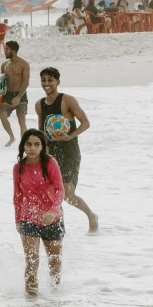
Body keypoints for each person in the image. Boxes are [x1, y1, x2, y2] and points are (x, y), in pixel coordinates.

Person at [36, 67, 98, 232]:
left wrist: (69, 136)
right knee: (51, 195)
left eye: (50, 80)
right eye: (44, 80)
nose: (46, 84)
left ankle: (91, 216)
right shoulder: (39, 105)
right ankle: (60, 229)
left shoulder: (67, 100)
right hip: (50, 155)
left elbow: (85, 123)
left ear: (58, 82)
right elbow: (41, 133)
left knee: (68, 194)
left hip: (70, 152)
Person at [14, 129, 65, 296]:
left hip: (52, 218)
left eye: (37, 144)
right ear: (23, 146)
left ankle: (55, 297)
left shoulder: (50, 163)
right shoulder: (18, 168)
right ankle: (31, 301)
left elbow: (59, 190)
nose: (32, 148)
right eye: (28, 144)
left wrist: (52, 210)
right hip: (28, 219)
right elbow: (17, 195)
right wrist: (17, 220)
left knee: (54, 262)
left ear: (43, 147)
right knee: (31, 262)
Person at [0, 41, 30, 147]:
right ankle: (11, 137)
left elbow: (26, 82)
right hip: (7, 95)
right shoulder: (4, 65)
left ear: (13, 50)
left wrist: (18, 97)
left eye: (7, 49)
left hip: (20, 94)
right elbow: (1, 82)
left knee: (21, 119)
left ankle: (24, 144)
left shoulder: (24, 64)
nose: (5, 51)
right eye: (5, 49)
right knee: (3, 116)